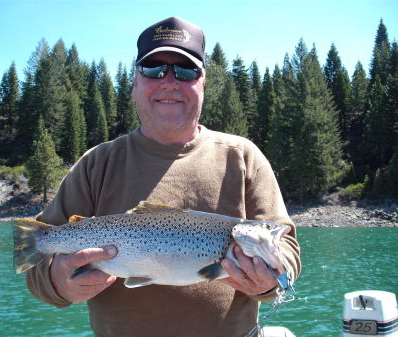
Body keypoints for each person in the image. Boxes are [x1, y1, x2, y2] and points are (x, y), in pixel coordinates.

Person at [26, 16, 301, 337]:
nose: (169, 81)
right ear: (134, 85)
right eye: (154, 70)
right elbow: (35, 266)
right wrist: (59, 282)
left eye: (185, 71)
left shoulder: (243, 157)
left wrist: (271, 281)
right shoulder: (95, 163)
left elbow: (288, 252)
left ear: (202, 83)